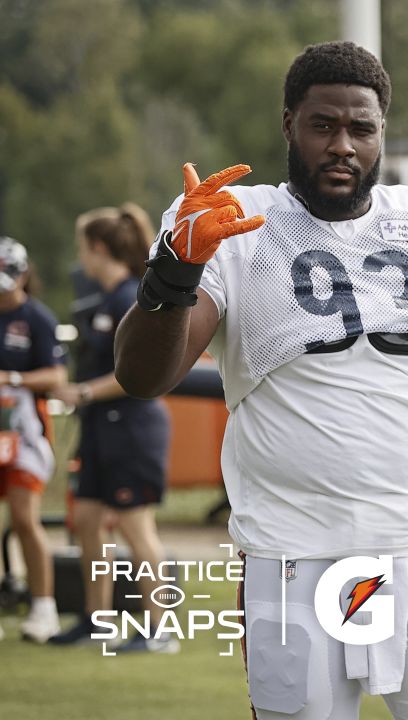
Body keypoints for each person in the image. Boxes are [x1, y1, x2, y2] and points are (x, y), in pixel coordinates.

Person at [113, 41, 408, 719]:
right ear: (288, 126)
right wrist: (174, 272)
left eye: (360, 129)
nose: (342, 146)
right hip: (293, 561)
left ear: (382, 133)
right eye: (322, 126)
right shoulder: (234, 224)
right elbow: (144, 375)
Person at [47, 204, 176, 653]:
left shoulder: (132, 299)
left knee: (135, 527)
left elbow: (136, 374)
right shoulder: (105, 300)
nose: (81, 256)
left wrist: (81, 393)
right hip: (102, 429)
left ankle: (161, 630)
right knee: (85, 520)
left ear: (98, 248)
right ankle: (97, 622)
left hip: (133, 430)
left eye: (83, 247)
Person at [0, 237, 67, 642]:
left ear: (23, 275)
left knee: (25, 518)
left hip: (25, 433)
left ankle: (44, 609)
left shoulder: (37, 319)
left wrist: (12, 378)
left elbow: (57, 376)